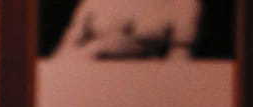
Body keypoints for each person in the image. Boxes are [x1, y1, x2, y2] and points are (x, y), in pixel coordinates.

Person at [49, 0, 203, 57]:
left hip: (153, 86)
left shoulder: (183, 3)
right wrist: (98, 49)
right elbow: (63, 56)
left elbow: (181, 59)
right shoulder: (93, 2)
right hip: (94, 84)